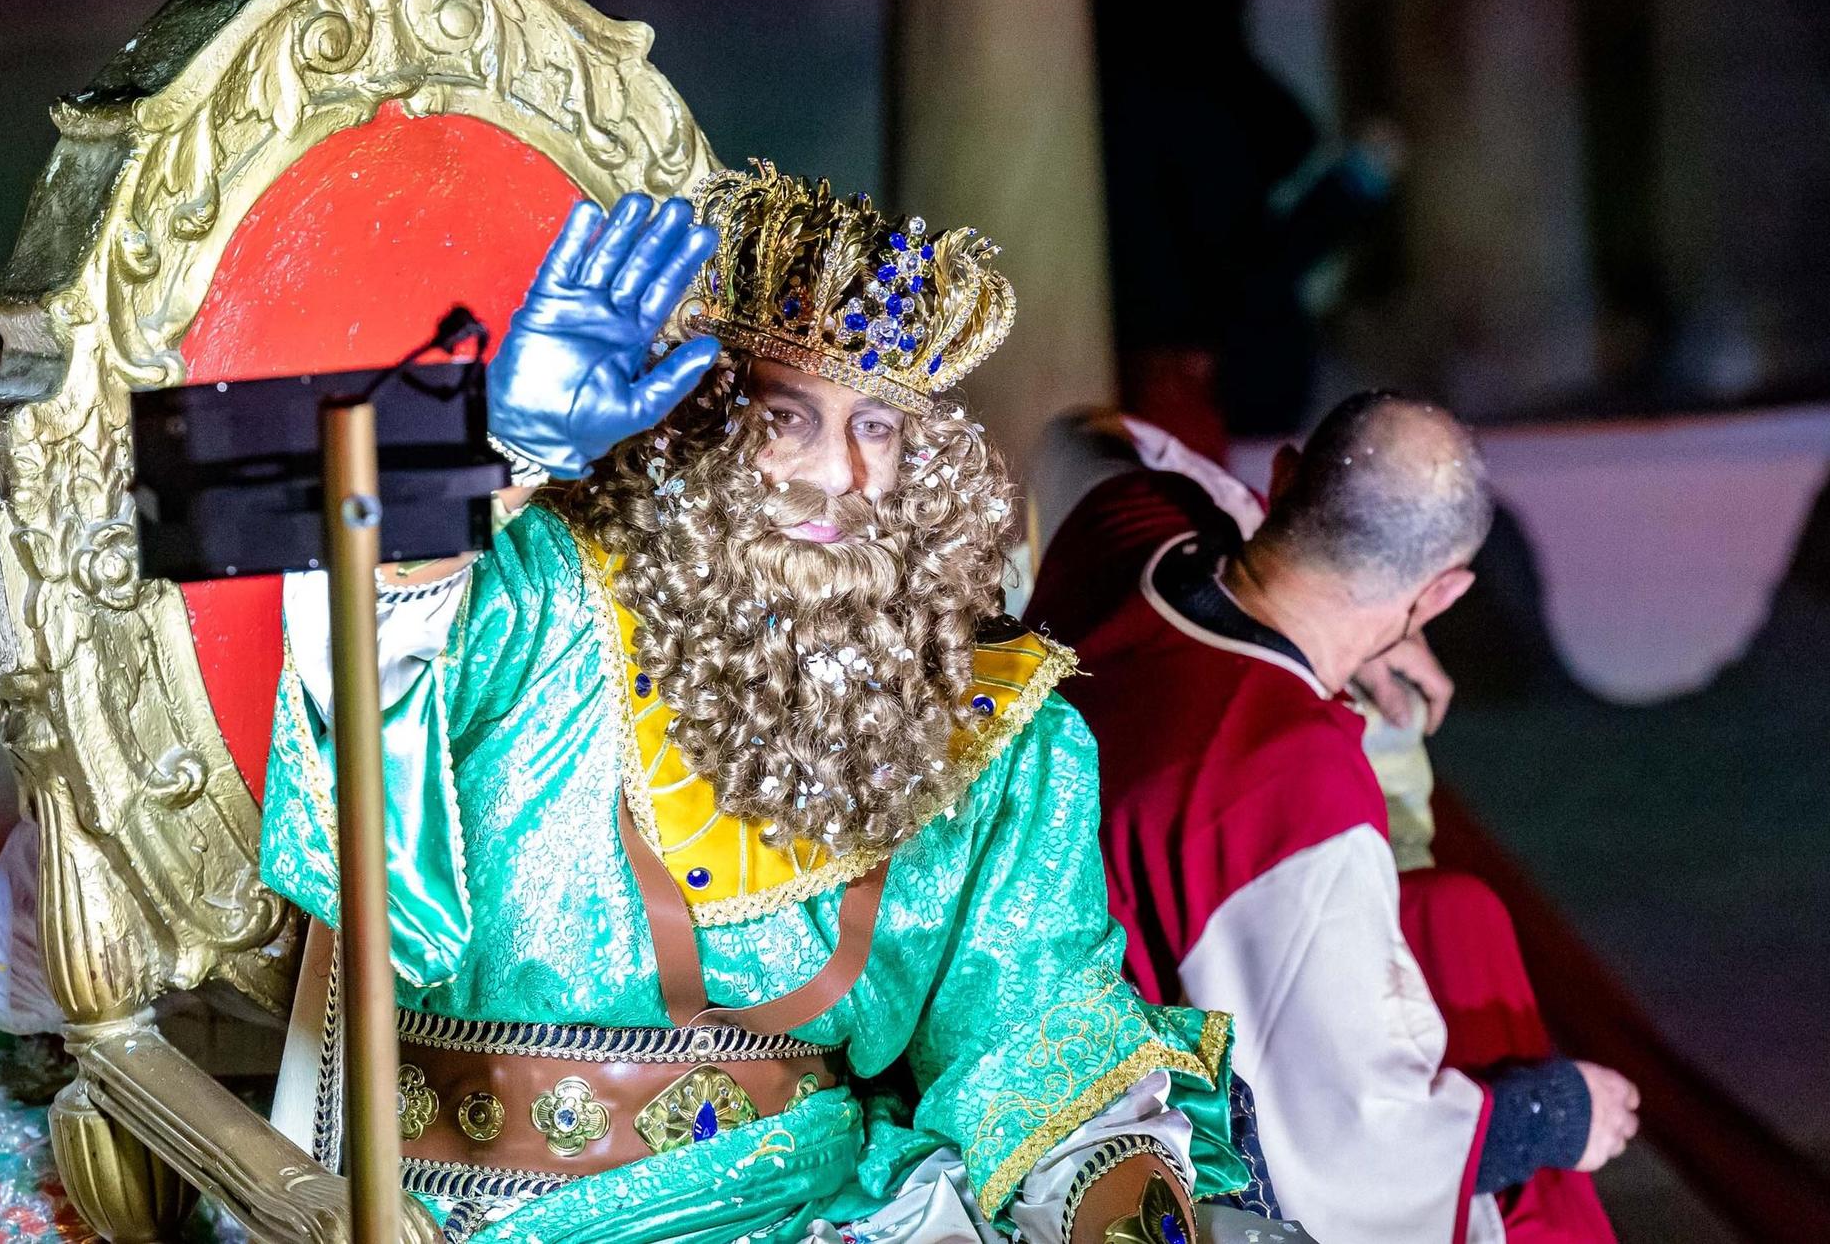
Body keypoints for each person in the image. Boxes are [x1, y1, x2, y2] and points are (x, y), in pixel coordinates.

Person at [259, 163, 1275, 1243]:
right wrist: (490, 457)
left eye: (876, 427)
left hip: (803, 1211)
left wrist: (1118, 1197)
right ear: (694, 419)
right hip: (462, 1212)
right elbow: (364, 668)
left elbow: (1036, 1034)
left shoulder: (988, 731)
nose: (834, 474)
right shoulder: (542, 595)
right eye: (785, 417)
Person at [1025, 397, 1638, 1243]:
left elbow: (1087, 432)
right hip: (1112, 1115)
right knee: (1538, 1178)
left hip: (1054, 936)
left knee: (1460, 917)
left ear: (1276, 479)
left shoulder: (1132, 531)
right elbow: (1344, 1160)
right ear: (1444, 592)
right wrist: (1551, 1115)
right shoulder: (1295, 799)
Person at [1093, 0, 1398, 458]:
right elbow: (1230, 268)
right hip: (1198, 390)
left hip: (1230, 382)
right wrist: (1350, 190)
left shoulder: (1220, 71)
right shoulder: (1157, 81)